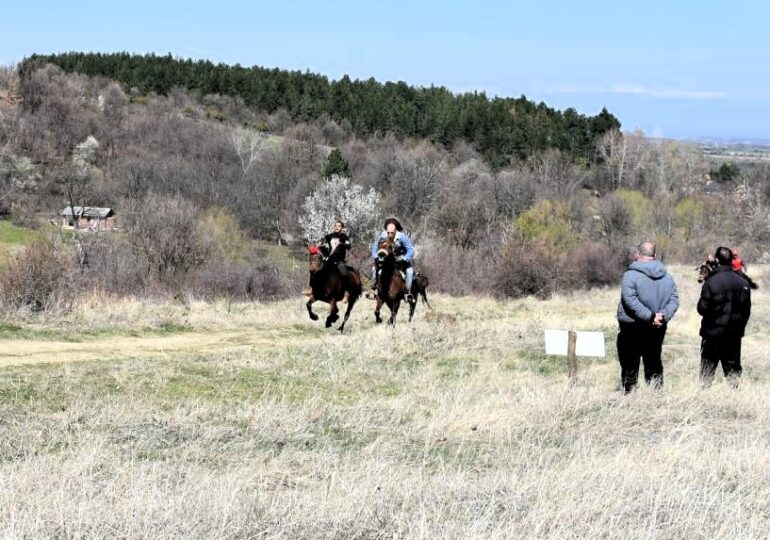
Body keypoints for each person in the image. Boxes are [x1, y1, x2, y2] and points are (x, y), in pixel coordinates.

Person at [616, 241, 679, 393]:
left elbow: (630, 301)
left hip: (632, 327)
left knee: (630, 363)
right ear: (655, 255)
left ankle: (630, 396)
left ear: (637, 255)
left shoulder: (630, 275)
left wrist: (651, 317)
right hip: (656, 327)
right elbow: (674, 299)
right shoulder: (668, 277)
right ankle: (655, 395)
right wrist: (662, 317)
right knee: (654, 361)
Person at [697, 246, 752, 387]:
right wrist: (739, 328)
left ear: (716, 260)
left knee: (706, 374)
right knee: (733, 374)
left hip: (712, 334)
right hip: (733, 335)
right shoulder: (743, 283)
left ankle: (702, 400)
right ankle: (736, 402)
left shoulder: (711, 282)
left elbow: (702, 308)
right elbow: (746, 311)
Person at [370, 217, 415, 302]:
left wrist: (405, 258)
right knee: (374, 269)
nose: (389, 234)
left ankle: (407, 293)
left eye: (391, 232)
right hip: (386, 260)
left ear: (395, 230)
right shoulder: (382, 235)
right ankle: (374, 289)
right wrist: (375, 256)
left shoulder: (402, 237)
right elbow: (375, 247)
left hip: (400, 260)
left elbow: (411, 249)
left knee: (410, 272)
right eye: (388, 232)